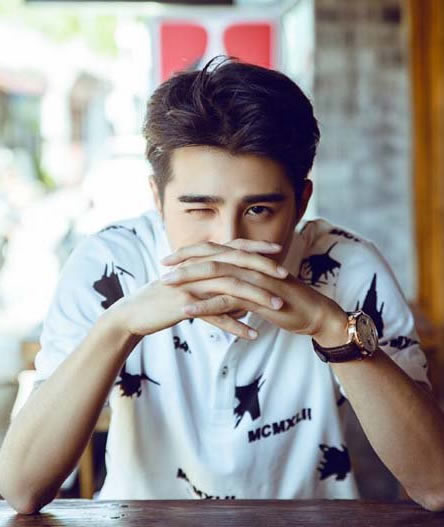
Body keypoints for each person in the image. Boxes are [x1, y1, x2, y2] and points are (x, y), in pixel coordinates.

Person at [1, 57, 443, 514]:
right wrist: (119, 327)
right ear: (157, 199)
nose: (228, 241)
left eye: (258, 210)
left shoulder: (348, 267)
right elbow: (22, 489)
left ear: (300, 202)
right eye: (199, 209)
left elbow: (436, 485)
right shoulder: (112, 263)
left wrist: (329, 326)